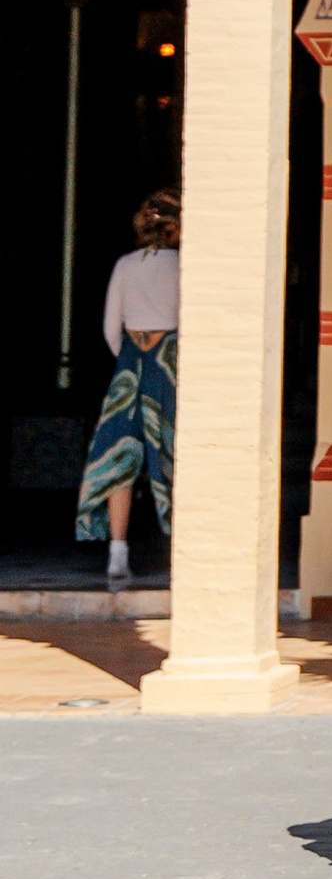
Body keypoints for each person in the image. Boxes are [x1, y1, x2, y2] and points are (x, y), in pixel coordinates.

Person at [77, 190, 181, 587]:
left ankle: (117, 552)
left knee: (120, 452)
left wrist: (131, 361)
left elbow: (109, 328)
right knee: (170, 452)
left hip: (130, 364)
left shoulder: (123, 265)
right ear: (174, 228)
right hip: (169, 361)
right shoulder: (184, 265)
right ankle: (178, 550)